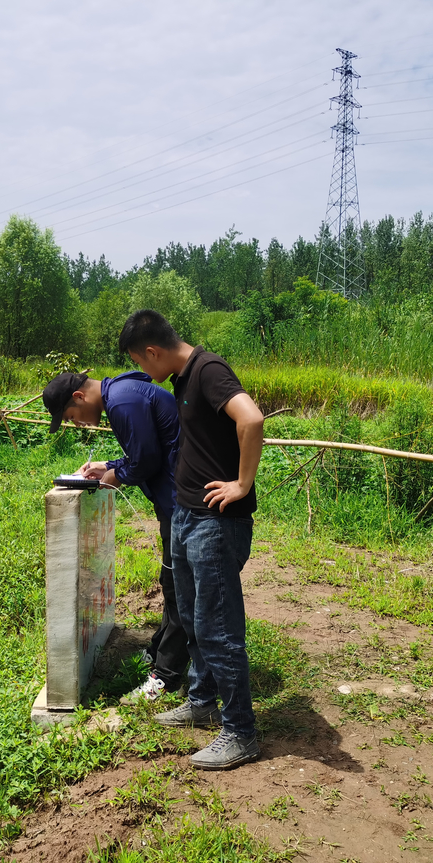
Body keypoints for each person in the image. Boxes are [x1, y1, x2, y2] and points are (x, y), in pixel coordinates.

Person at [117, 309, 265, 771]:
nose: (144, 374)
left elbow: (252, 419)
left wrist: (241, 484)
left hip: (216, 524)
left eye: (141, 364)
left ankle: (240, 731)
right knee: (192, 618)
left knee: (218, 629)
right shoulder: (182, 378)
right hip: (188, 515)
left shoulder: (209, 371)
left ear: (153, 351)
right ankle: (201, 702)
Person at [42, 369, 188, 704]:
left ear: (79, 397)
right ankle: (159, 651)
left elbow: (146, 460)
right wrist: (109, 465)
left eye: (71, 417)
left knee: (180, 588)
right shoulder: (124, 393)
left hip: (183, 504)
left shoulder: (121, 401)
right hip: (176, 503)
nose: (78, 423)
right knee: (171, 582)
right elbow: (146, 449)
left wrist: (113, 477)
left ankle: (166, 676)